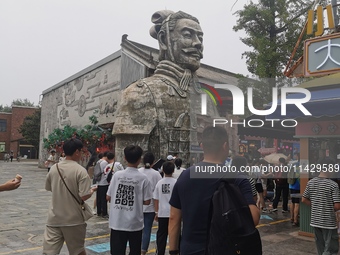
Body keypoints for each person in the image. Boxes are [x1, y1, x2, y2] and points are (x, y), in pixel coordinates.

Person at [113, 10, 218, 164]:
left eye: (200, 38)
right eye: (188, 35)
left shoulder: (205, 99)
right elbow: (128, 167)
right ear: (163, 40)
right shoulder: (140, 93)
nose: (197, 44)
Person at [168, 126, 260, 255]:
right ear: (225, 146)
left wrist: (173, 250)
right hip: (225, 249)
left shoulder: (185, 176)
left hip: (190, 249)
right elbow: (253, 219)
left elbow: (173, 218)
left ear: (202, 146)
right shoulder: (238, 178)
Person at [42, 138, 96, 255]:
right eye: (81, 151)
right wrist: (92, 190)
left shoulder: (53, 169)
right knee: (78, 251)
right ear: (77, 151)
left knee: (49, 252)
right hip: (73, 219)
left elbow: (50, 188)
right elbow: (84, 196)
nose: (82, 153)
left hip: (54, 218)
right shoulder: (80, 171)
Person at [106, 145, 152, 255]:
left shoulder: (117, 175)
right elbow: (147, 201)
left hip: (117, 221)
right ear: (139, 159)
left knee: (117, 252)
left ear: (125, 158)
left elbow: (108, 197)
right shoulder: (143, 178)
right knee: (135, 251)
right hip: (135, 223)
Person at [302, 158, 340, 255]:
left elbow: (304, 199)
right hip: (329, 222)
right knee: (330, 249)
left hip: (315, 221)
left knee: (321, 247)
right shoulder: (333, 185)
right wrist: (328, 207)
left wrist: (316, 205)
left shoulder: (311, 182)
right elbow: (337, 206)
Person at [138, 152, 162, 255]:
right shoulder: (156, 174)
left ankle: (136, 248)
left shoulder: (138, 171)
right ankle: (143, 251)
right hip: (150, 207)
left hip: (138, 206)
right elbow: (159, 190)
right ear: (153, 162)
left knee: (138, 229)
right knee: (147, 229)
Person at [153, 161, 177, 255]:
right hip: (174, 213)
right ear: (173, 170)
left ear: (162, 170)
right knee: (175, 234)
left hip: (162, 212)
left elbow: (156, 199)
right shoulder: (176, 183)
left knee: (161, 234)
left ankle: (160, 252)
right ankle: (175, 251)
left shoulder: (159, 183)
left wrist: (156, 212)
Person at [97, 151, 114, 218]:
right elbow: (106, 172)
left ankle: (99, 211)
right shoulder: (105, 163)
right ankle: (104, 212)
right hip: (104, 182)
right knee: (104, 199)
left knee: (99, 198)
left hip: (99, 182)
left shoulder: (99, 161)